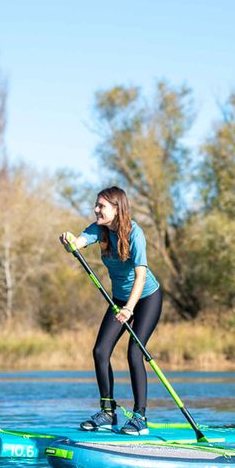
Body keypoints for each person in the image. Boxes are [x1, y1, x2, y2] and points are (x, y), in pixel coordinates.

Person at [60, 186, 162, 435]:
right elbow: (79, 243)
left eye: (101, 206)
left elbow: (140, 276)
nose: (96, 210)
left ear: (117, 209)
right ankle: (108, 412)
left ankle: (140, 418)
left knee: (134, 353)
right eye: (96, 205)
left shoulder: (135, 234)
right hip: (118, 299)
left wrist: (129, 308)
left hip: (146, 298)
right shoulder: (100, 229)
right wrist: (70, 241)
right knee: (100, 351)